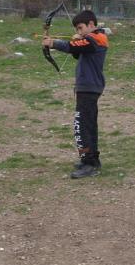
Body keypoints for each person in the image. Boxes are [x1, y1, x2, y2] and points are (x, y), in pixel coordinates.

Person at [41, 10, 108, 179]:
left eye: (80, 28)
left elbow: (73, 47)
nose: (78, 31)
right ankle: (93, 159)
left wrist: (53, 43)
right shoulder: (91, 40)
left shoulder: (96, 39)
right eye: (77, 29)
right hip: (88, 87)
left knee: (82, 125)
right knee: (89, 124)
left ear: (91, 25)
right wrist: (78, 40)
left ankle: (88, 163)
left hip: (89, 87)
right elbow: (77, 53)